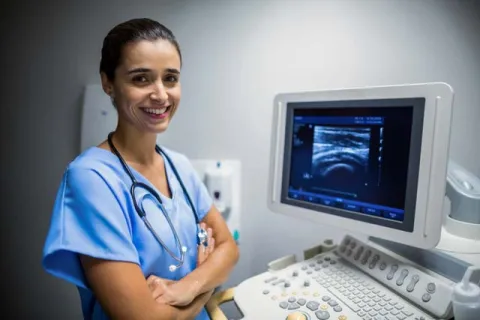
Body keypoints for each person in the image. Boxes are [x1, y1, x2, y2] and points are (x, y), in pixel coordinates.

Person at [42, 18, 240, 320]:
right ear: (108, 82)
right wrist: (205, 290)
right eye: (141, 79)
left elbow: (228, 247)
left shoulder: (179, 166)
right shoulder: (91, 179)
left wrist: (186, 287)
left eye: (170, 78)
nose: (161, 94)